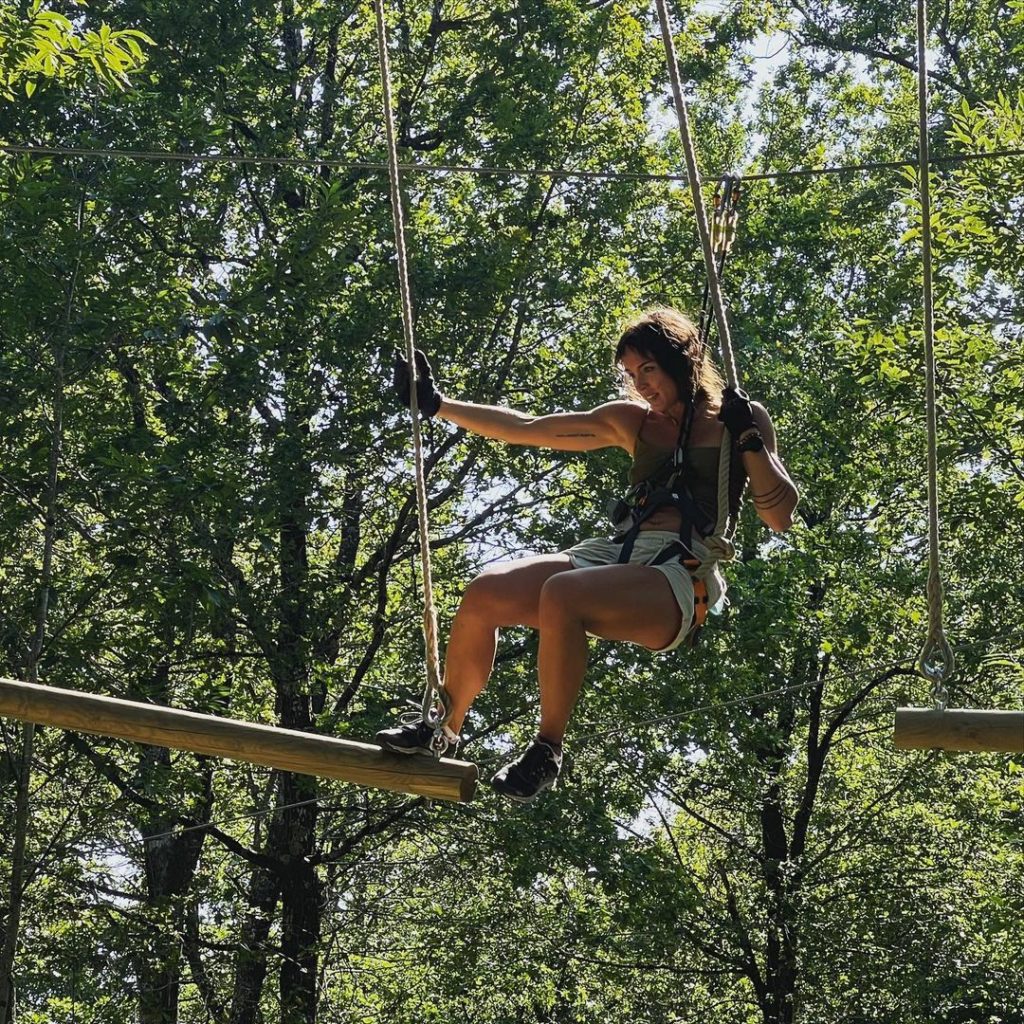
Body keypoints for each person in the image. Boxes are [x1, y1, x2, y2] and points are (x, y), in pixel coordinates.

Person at [376, 306, 799, 801]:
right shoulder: (632, 423)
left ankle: (547, 749)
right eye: (631, 374)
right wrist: (436, 404)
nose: (640, 385)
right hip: (615, 553)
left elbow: (779, 515)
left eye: (649, 370)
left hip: (680, 570)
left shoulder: (736, 421)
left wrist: (749, 438)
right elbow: (527, 427)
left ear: (682, 362)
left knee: (562, 595)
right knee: (484, 593)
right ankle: (442, 730)